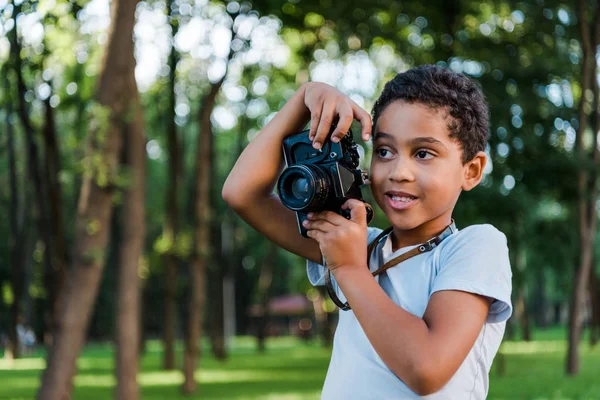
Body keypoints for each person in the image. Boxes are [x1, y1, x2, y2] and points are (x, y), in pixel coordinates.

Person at [222, 64, 512, 399]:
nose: (398, 172)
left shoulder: (475, 246)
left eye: (423, 153)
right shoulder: (357, 242)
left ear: (471, 171)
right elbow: (241, 193)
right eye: (385, 151)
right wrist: (302, 100)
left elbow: (426, 369)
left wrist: (349, 269)